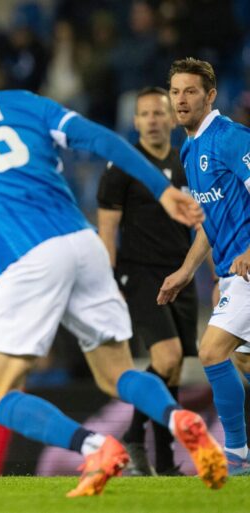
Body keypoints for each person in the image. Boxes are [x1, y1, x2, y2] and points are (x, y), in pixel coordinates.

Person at [0, 32, 225, 497]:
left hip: (30, 257)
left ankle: (96, 446)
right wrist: (162, 190)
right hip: (83, 243)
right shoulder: (26, 102)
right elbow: (101, 139)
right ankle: (179, 418)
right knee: (115, 373)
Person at [96, 86, 196, 476]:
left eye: (159, 113)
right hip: (139, 274)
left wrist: (209, 272)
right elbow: (107, 230)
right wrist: (109, 284)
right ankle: (140, 442)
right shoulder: (123, 165)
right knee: (167, 358)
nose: (152, 120)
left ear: (171, 119)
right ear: (135, 121)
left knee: (173, 368)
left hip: (180, 273)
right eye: (145, 114)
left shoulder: (186, 161)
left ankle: (158, 456)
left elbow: (200, 225)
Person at [158, 57, 250, 476]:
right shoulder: (189, 148)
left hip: (247, 270)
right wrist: (185, 271)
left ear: (210, 95)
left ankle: (237, 456)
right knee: (243, 362)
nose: (181, 99)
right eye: (175, 91)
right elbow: (209, 224)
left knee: (212, 351)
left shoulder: (231, 138)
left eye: (190, 91)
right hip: (232, 275)